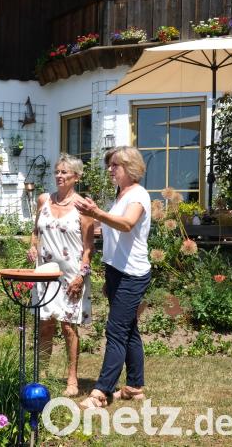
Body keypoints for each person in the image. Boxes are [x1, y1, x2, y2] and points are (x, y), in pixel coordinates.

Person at [74, 146, 152, 409]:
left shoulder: (138, 195)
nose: (110, 169)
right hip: (118, 271)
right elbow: (112, 229)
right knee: (128, 329)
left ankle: (101, 392)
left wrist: (97, 214)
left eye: (114, 165)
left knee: (116, 331)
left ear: (130, 167)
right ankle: (134, 387)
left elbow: (127, 224)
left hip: (133, 273)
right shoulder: (122, 195)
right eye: (109, 165)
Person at [26, 154, 94, 397]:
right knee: (45, 325)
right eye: (57, 171)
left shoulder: (83, 207)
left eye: (65, 172)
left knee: (68, 327)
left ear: (76, 176)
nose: (59, 175)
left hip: (71, 276)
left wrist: (80, 276)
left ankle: (72, 379)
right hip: (44, 274)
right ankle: (42, 375)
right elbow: (35, 230)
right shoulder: (44, 200)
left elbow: (88, 248)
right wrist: (33, 245)